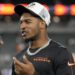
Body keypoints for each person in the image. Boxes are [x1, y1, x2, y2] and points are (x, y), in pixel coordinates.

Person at [12, 2, 74, 75]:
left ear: (42, 24)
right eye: (21, 22)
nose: (22, 26)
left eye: (27, 22)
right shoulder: (18, 57)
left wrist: (33, 74)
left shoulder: (61, 53)